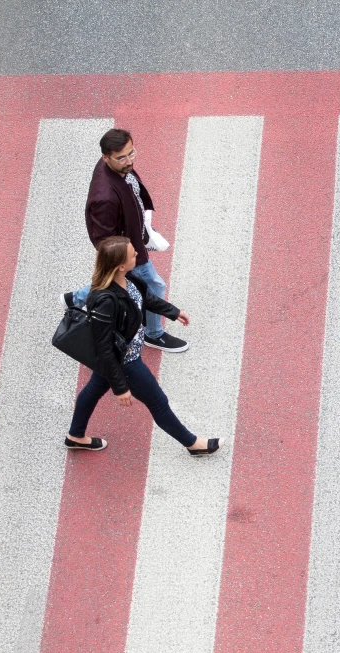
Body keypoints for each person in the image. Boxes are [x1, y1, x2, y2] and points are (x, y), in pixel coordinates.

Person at [65, 236, 219, 456]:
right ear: (120, 265)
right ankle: (193, 444)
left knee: (92, 390)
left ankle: (75, 436)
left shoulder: (129, 279)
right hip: (125, 361)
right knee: (158, 402)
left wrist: (173, 312)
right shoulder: (105, 301)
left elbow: (145, 298)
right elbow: (104, 348)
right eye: (132, 254)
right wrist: (120, 388)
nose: (137, 253)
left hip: (122, 356)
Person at [69, 128, 187, 353]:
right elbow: (104, 240)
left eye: (131, 153)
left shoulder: (115, 166)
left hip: (133, 238)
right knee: (154, 286)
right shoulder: (104, 197)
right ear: (106, 157)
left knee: (120, 283)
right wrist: (126, 258)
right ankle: (154, 334)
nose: (129, 161)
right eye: (121, 158)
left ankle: (75, 299)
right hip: (129, 250)